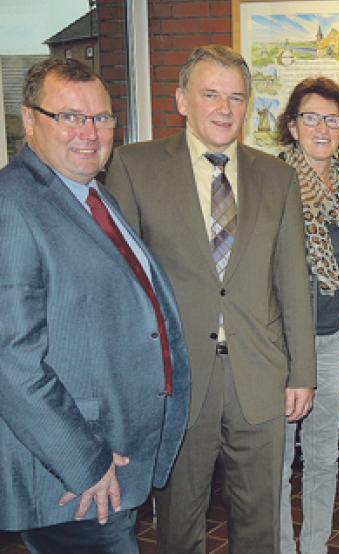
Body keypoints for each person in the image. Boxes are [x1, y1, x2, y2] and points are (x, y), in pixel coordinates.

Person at [103, 45, 316, 553]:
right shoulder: (135, 168)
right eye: (211, 95)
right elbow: (124, 288)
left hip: (260, 376)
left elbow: (291, 280)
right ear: (181, 100)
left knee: (260, 520)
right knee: (179, 520)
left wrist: (302, 373)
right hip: (178, 378)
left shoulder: (277, 177)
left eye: (237, 97)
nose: (224, 108)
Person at [0, 58, 190, 552]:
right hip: (71, 474)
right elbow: (12, 360)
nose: (90, 132)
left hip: (109, 455)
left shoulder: (93, 196)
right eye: (70, 117)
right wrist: (85, 462)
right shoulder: (12, 205)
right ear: (30, 120)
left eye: (101, 117)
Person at [274, 77, 339, 554]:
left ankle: (314, 546)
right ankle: (283, 547)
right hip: (285, 342)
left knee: (324, 453)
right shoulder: (272, 182)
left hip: (334, 337)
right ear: (292, 126)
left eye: (333, 119)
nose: (322, 127)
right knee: (279, 455)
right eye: (311, 117)